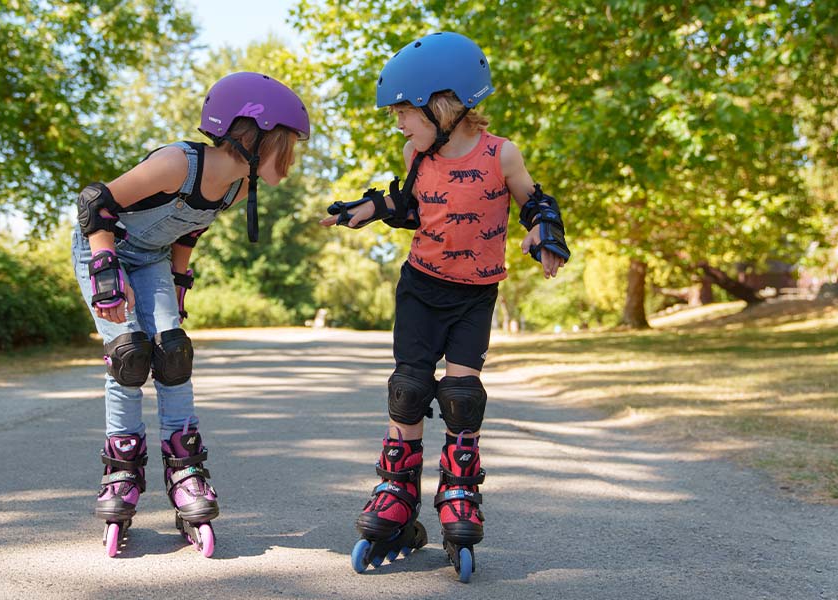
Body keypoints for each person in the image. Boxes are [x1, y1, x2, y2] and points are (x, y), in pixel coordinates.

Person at [320, 32, 570, 582]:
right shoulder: (417, 153)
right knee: (408, 388)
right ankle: (397, 492)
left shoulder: (501, 152)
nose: (400, 124)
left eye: (405, 112)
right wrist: (370, 208)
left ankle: (458, 491)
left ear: (444, 104)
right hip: (420, 286)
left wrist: (542, 233)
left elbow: (535, 201)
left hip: (475, 293)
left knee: (461, 395)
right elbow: (412, 206)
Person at [72, 72, 311, 558]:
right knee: (129, 355)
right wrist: (105, 271)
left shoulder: (238, 188)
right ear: (253, 135)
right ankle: (121, 471)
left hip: (154, 258)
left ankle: (186, 469)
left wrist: (178, 285)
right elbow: (96, 202)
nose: (292, 157)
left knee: (173, 353)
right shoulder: (177, 162)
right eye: (288, 144)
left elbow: (189, 230)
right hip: (105, 249)